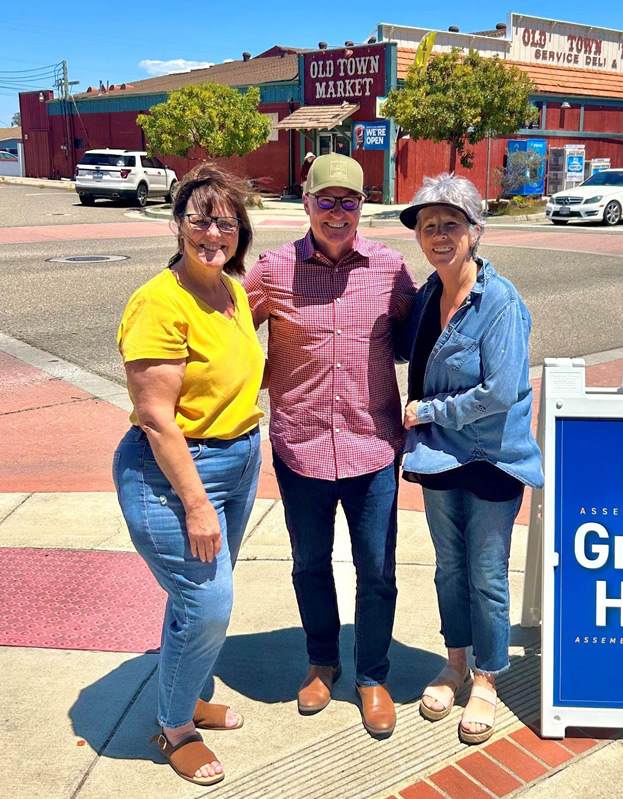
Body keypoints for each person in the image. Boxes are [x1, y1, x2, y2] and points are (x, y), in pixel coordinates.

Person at [244, 153, 417, 738]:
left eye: (350, 202)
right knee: (311, 564)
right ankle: (322, 661)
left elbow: (422, 339)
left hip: (372, 448)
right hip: (302, 446)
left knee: (377, 570)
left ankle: (372, 675)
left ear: (362, 207)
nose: (338, 213)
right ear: (307, 203)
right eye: (327, 200)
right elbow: (227, 330)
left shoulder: (391, 269)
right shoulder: (271, 270)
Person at [112, 163, 264, 786]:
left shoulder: (232, 290)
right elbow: (155, 416)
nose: (214, 233)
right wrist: (196, 503)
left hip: (239, 454)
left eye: (227, 223)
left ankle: (192, 693)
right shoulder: (159, 301)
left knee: (197, 597)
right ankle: (175, 727)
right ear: (176, 224)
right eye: (201, 219)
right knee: (207, 602)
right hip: (175, 471)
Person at [397, 174, 543, 745]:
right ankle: (454, 663)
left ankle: (488, 676)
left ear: (475, 232)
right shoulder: (429, 293)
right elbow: (397, 346)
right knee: (449, 567)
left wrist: (429, 411)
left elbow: (500, 392)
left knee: (485, 573)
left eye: (451, 224)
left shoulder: (500, 302)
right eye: (428, 226)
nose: (438, 235)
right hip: (439, 457)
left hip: (490, 456)